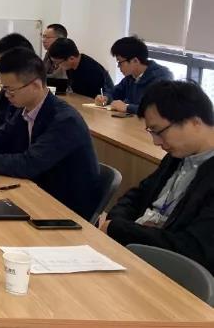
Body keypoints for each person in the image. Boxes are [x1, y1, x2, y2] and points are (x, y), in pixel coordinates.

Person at [0, 48, 100, 220]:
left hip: (64, 208)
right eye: (4, 89)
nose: (6, 95)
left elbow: (28, 164)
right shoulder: (25, 108)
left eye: (11, 90)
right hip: (35, 191)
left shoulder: (65, 120)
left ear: (36, 85)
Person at [100, 81, 214, 274]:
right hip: (138, 255)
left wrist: (120, 229)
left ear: (195, 122)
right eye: (151, 132)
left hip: (175, 275)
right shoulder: (178, 156)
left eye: (159, 131)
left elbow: (193, 249)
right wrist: (117, 223)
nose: (156, 142)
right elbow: (136, 196)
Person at [97, 36, 173, 114]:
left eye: (120, 62)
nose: (118, 66)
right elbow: (115, 92)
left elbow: (156, 110)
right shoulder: (131, 76)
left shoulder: (161, 78)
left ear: (135, 61)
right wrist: (105, 98)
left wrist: (127, 108)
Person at [47, 38, 114, 99]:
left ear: (71, 58)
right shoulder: (70, 66)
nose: (56, 66)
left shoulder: (91, 70)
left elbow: (96, 98)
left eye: (58, 63)